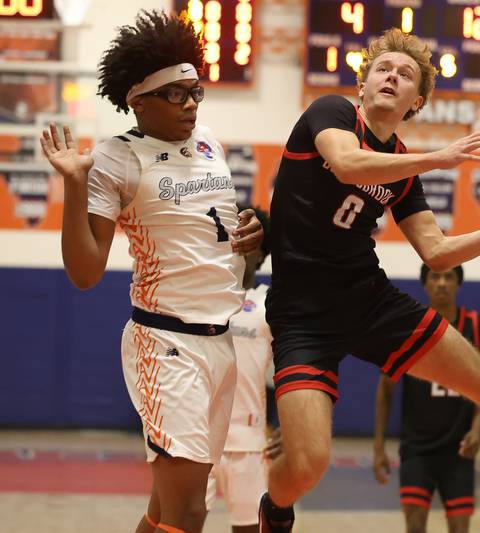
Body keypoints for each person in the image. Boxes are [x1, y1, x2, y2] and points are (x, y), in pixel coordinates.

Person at [259, 28, 480, 532]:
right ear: (363, 84)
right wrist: (437, 157)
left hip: (367, 300)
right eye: (383, 69)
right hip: (301, 316)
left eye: (405, 74)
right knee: (308, 464)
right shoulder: (333, 113)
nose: (392, 76)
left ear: (417, 102)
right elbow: (346, 164)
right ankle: (275, 510)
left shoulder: (403, 169)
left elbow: (438, 252)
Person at [39, 11, 263, 533]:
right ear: (138, 101)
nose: (190, 104)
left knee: (165, 512)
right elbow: (85, 272)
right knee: (190, 512)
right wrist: (74, 184)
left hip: (221, 340)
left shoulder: (209, 142)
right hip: (166, 344)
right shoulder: (116, 159)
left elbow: (214, 231)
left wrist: (249, 232)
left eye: (195, 92)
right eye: (174, 95)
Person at [373, 264, 480, 533]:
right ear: (425, 284)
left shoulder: (474, 326)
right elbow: (385, 390)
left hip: (459, 449)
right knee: (414, 526)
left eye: (449, 276)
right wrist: (378, 447)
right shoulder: (409, 327)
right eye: (436, 276)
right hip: (417, 448)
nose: (442, 283)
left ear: (458, 283)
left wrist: (477, 428)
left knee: (460, 528)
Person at [204, 206, 278, 533]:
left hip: (249, 441)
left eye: (249, 237)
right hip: (199, 439)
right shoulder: (204, 298)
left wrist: (288, 429)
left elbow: (289, 374)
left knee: (249, 528)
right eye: (236, 234)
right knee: (179, 522)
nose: (239, 243)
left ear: (261, 252)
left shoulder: (269, 304)